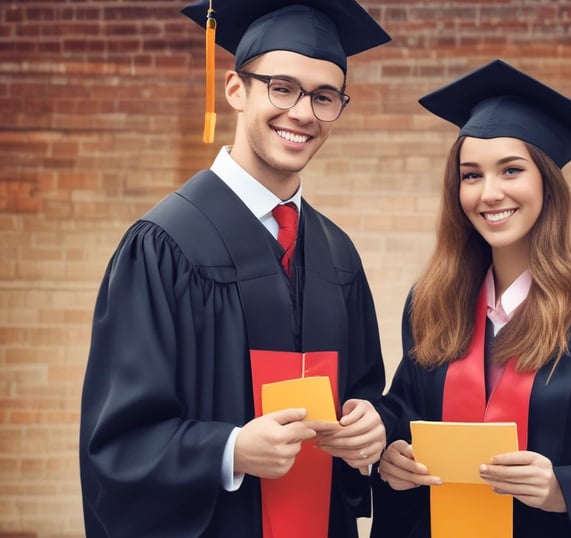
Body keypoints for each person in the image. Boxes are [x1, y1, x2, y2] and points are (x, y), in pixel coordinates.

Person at [79, 1, 393, 537]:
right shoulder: (162, 246)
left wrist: (371, 427)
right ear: (235, 89)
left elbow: (361, 391)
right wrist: (230, 450)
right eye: (282, 87)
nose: (302, 113)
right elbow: (118, 444)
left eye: (324, 97)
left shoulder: (338, 254)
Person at [370, 59, 571, 538]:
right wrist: (392, 452)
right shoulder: (432, 302)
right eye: (471, 175)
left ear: (547, 182)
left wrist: (564, 490)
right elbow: (408, 410)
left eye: (511, 170)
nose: (489, 193)